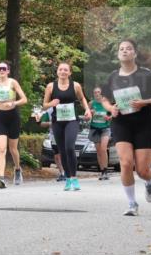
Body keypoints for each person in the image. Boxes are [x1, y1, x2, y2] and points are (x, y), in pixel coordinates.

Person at [97, 39, 151, 216]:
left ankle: (149, 182)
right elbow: (104, 99)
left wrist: (143, 102)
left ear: (135, 53)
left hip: (144, 123)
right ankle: (131, 204)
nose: (125, 51)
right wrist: (110, 108)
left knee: (143, 171)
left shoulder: (146, 75)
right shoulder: (113, 76)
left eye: (129, 49)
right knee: (126, 163)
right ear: (118, 54)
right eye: (121, 49)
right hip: (121, 123)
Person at [42, 62, 92, 192]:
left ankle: (74, 177)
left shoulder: (75, 86)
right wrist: (51, 103)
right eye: (60, 69)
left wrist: (87, 109)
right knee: (62, 150)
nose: (63, 71)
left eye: (66, 70)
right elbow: (44, 105)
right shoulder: (50, 86)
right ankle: (68, 178)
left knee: (70, 147)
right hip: (57, 122)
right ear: (57, 72)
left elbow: (82, 99)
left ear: (70, 73)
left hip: (71, 121)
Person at [0, 60, 29, 188]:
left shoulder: (13, 82)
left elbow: (24, 99)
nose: (2, 71)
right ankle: (2, 178)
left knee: (13, 149)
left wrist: (14, 103)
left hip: (13, 117)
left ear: (8, 71)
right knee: (2, 148)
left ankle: (17, 169)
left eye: (4, 69)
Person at [34, 106, 65, 182]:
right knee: (57, 156)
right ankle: (62, 173)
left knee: (64, 154)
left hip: (65, 133)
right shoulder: (49, 110)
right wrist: (52, 123)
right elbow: (42, 123)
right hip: (54, 134)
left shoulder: (65, 106)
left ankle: (67, 172)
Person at [89, 87, 113, 181]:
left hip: (105, 128)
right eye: (95, 92)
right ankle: (102, 171)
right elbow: (86, 117)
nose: (97, 94)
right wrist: (90, 113)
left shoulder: (106, 103)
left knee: (103, 149)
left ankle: (106, 171)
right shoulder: (91, 103)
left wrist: (109, 117)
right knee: (99, 151)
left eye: (99, 92)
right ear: (93, 94)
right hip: (94, 129)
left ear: (102, 93)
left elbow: (113, 114)